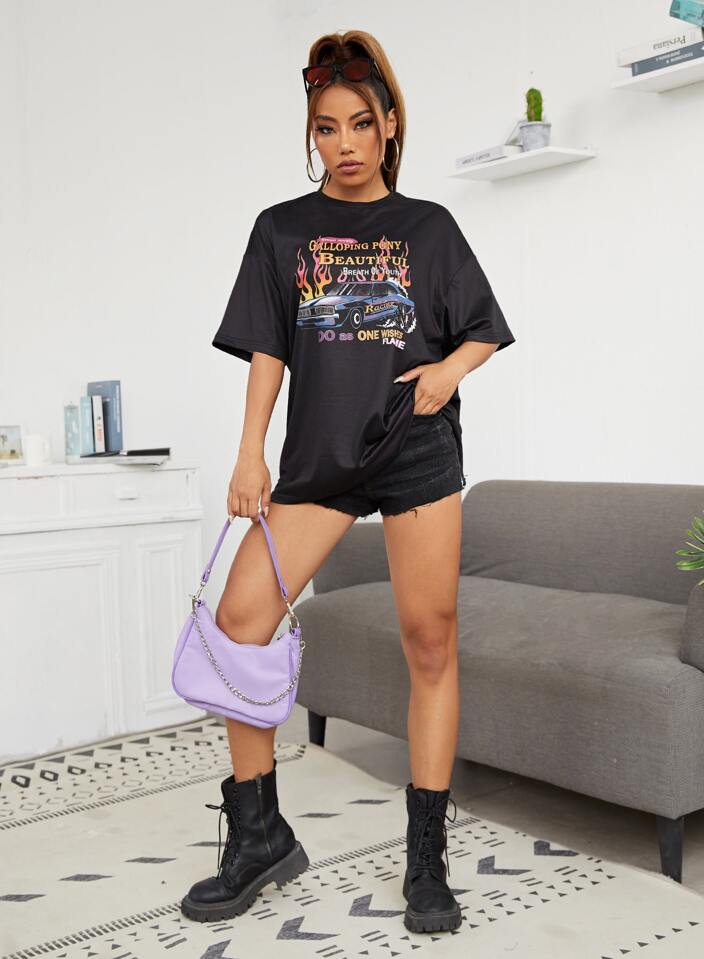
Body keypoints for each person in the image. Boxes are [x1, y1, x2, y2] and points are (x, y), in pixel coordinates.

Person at [181, 29, 515, 934]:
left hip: (415, 451)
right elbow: (267, 348)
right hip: (320, 458)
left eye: (361, 124)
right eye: (327, 128)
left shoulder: (429, 228)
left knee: (430, 643)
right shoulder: (281, 229)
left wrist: (448, 371)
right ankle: (259, 834)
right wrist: (249, 452)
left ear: (390, 123)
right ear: (312, 134)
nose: (345, 144)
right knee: (239, 623)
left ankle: (427, 857)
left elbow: (482, 328)